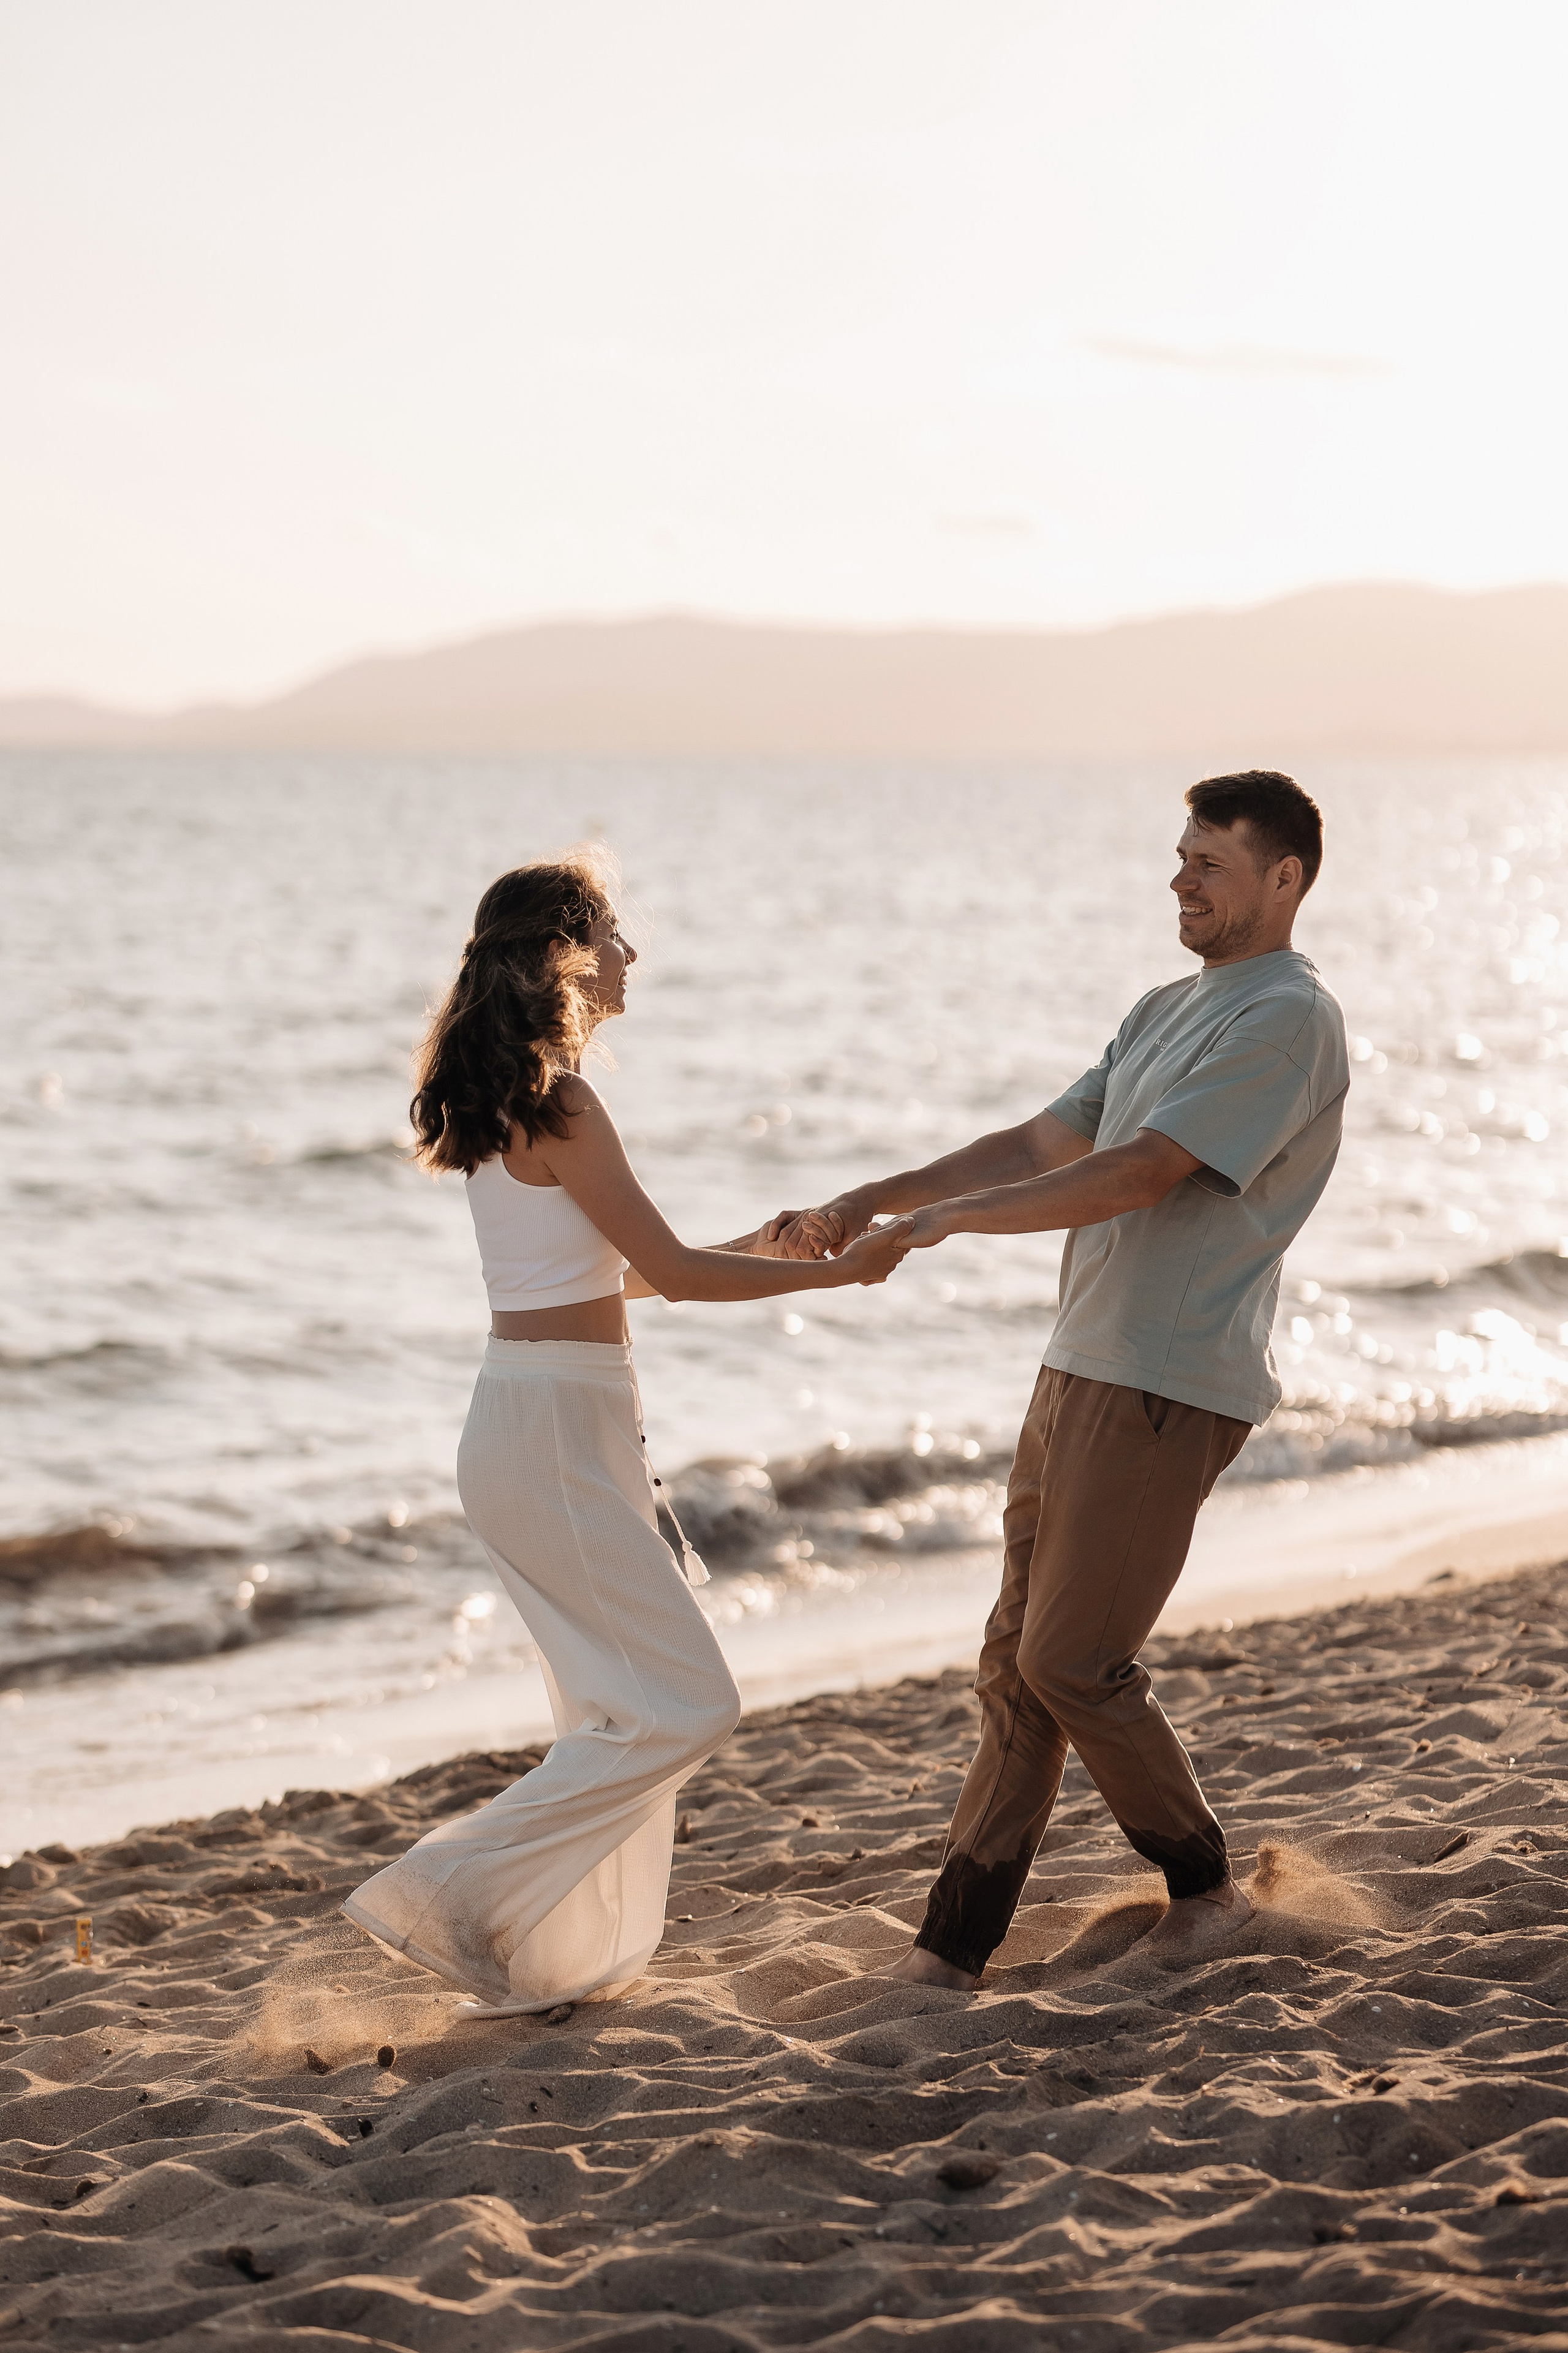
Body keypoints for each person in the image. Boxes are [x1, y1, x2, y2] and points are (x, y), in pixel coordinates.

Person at [777, 771, 1348, 1984]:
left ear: (1283, 879)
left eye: (1209, 861)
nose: (1178, 878)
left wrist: (954, 1224)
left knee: (1069, 1661)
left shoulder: (1287, 1015)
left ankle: (1203, 1891)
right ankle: (950, 1949)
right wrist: (877, 1197)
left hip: (1163, 1378)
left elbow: (1142, 1170)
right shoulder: (1160, 1009)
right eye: (1178, 855)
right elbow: (1046, 1143)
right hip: (1076, 1362)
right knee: (1013, 1670)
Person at [343, 852, 911, 2013]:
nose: (631, 955)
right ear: (565, 951)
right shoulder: (559, 1100)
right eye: (613, 933)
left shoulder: (510, 1099)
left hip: (540, 1420)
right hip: (553, 1432)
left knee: (612, 1711)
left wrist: (758, 1245)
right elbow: (670, 1279)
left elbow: (609, 1280)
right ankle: (448, 1888)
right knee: (688, 1704)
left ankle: (527, 1947)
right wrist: (839, 1273)